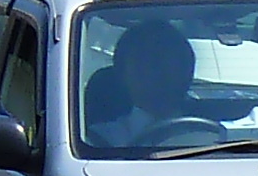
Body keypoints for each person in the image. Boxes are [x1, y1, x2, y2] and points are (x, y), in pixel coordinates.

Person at [79, 18, 200, 155]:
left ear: (187, 71)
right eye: (144, 63)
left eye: (168, 63)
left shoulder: (215, 140)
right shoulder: (95, 142)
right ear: (122, 73)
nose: (155, 73)